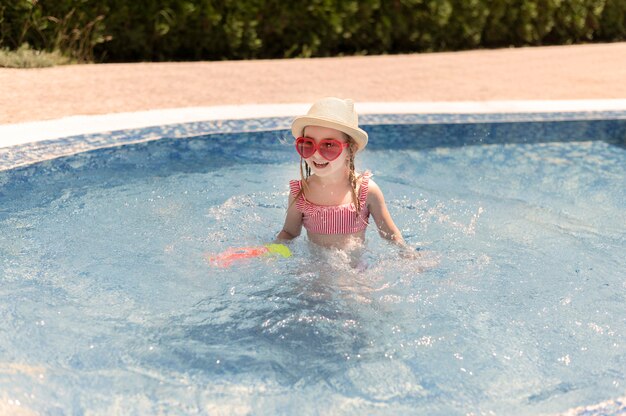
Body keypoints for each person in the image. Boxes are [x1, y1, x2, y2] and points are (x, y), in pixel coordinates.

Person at [277, 97, 414, 254]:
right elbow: (289, 233)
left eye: (328, 145)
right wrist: (272, 251)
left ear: (351, 151)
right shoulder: (301, 192)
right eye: (308, 144)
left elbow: (390, 235)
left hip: (355, 271)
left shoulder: (366, 190)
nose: (316, 154)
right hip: (314, 271)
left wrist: (409, 254)